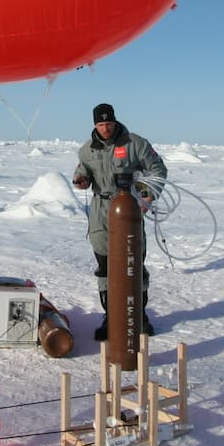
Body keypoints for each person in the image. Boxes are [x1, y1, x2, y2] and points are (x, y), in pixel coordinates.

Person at [72, 103, 167, 341]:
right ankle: (112, 317)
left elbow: (158, 169)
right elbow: (82, 171)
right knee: (105, 266)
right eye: (101, 124)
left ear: (115, 121)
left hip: (128, 208)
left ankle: (138, 316)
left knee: (132, 263)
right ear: (95, 125)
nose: (105, 128)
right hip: (100, 211)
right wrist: (81, 180)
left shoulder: (135, 144)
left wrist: (147, 196)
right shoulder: (87, 150)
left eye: (109, 123)